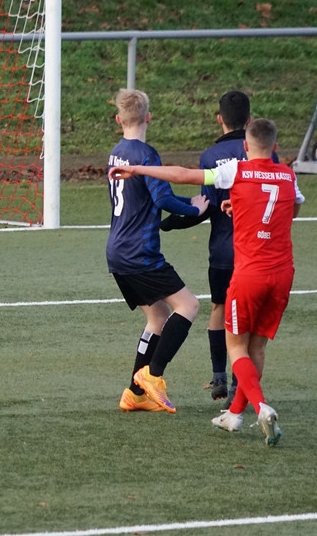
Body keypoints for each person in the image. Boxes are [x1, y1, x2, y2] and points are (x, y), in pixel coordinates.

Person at [110, 118, 304, 446]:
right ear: (275, 146)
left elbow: (182, 175)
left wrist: (138, 170)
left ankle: (261, 406)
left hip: (249, 274)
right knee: (257, 347)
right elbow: (291, 208)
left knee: (236, 346)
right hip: (283, 274)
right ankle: (235, 413)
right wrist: (243, 207)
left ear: (245, 146)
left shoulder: (237, 170)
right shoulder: (288, 175)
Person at [160, 90, 277, 403]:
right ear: (249, 120)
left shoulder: (211, 156)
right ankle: (242, 386)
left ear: (219, 119)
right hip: (257, 253)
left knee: (219, 308)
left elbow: (205, 208)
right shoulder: (265, 153)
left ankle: (219, 376)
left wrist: (171, 222)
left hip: (224, 252)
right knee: (249, 323)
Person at [107, 89, 208, 414]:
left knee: (158, 317)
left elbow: (152, 194)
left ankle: (135, 394)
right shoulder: (146, 154)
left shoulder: (116, 153)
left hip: (117, 251)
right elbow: (163, 199)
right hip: (140, 253)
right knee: (188, 305)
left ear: (118, 119)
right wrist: (193, 209)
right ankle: (153, 375)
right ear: (149, 117)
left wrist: (186, 202)